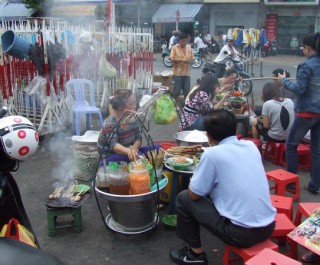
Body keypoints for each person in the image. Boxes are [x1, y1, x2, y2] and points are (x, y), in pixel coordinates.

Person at [169, 109, 276, 265]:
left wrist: (196, 182)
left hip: (240, 234)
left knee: (184, 198)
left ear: (209, 136)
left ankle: (195, 255)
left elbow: (193, 195)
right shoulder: (251, 147)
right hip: (268, 226)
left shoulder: (212, 154)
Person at [278, 32, 320, 195]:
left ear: (307, 48)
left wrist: (284, 80)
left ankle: (290, 184)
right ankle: (314, 185)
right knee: (316, 149)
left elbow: (299, 89)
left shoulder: (306, 66)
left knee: (291, 146)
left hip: (306, 114)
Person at [97, 89, 157, 163]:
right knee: (139, 158)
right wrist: (129, 152)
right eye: (131, 104)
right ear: (121, 107)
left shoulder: (132, 119)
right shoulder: (110, 124)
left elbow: (138, 138)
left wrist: (133, 149)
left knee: (156, 148)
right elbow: (115, 146)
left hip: (129, 151)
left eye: (135, 103)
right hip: (111, 156)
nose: (135, 106)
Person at [170, 32, 195, 103]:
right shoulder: (174, 48)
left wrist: (188, 61)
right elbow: (172, 58)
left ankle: (186, 105)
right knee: (176, 92)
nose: (185, 42)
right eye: (183, 41)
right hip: (177, 74)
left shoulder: (189, 48)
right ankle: (177, 106)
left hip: (186, 74)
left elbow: (193, 61)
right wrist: (182, 60)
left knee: (186, 91)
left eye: (186, 41)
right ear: (179, 40)